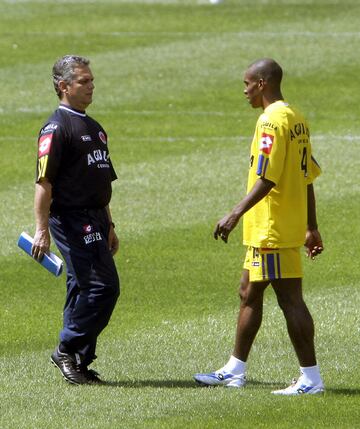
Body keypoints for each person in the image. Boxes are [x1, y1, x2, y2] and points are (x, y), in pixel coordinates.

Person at [194, 58, 324, 395]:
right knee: (248, 291)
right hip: (282, 225)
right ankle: (235, 369)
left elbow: (268, 177)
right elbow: (306, 175)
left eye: (248, 83)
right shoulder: (296, 117)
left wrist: (233, 214)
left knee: (290, 300)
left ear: (263, 83)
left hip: (271, 228)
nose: (245, 91)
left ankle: (311, 379)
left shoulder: (269, 123)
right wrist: (311, 226)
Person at [31, 55, 120, 385]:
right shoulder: (56, 129)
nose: (91, 86)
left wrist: (109, 225)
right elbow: (44, 183)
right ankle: (67, 348)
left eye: (92, 80)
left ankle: (80, 361)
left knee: (81, 287)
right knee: (103, 288)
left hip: (96, 219)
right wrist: (42, 230)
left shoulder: (95, 129)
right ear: (63, 86)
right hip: (71, 219)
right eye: (84, 81)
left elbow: (101, 183)